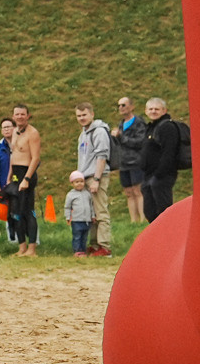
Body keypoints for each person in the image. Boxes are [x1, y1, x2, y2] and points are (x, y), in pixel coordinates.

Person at [74, 101, 115, 254]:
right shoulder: (83, 134)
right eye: (79, 116)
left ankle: (104, 246)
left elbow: (102, 156)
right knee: (91, 214)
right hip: (85, 177)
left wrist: (97, 179)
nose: (82, 118)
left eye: (84, 115)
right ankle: (94, 244)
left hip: (96, 176)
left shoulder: (99, 131)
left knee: (100, 212)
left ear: (92, 114)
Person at [6, 103, 43, 256]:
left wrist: (26, 178)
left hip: (27, 173)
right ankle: (21, 247)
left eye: (23, 114)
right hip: (15, 174)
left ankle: (32, 248)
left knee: (28, 211)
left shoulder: (32, 133)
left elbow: (35, 158)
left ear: (28, 116)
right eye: (17, 114)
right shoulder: (15, 132)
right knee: (16, 212)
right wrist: (9, 176)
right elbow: (13, 155)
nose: (20, 117)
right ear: (13, 116)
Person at [140, 95, 183, 220]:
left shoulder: (167, 127)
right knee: (150, 212)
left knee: (164, 212)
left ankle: (170, 231)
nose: (153, 111)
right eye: (150, 109)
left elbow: (169, 153)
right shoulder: (151, 127)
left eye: (157, 109)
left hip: (162, 176)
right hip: (148, 175)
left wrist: (158, 175)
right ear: (146, 111)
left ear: (164, 111)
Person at [113, 95, 148, 223]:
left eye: (124, 105)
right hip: (123, 163)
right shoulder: (121, 124)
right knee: (128, 192)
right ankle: (133, 220)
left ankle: (143, 219)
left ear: (132, 107)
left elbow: (140, 142)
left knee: (137, 191)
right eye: (119, 106)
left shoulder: (138, 122)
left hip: (136, 161)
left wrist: (121, 137)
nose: (121, 108)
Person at [66, 169, 97, 255]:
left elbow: (91, 206)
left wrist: (93, 216)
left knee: (84, 237)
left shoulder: (87, 194)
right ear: (72, 184)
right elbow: (67, 207)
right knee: (77, 236)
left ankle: (83, 250)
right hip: (76, 220)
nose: (79, 183)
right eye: (77, 182)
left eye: (81, 181)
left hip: (87, 220)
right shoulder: (70, 195)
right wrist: (68, 217)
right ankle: (77, 251)